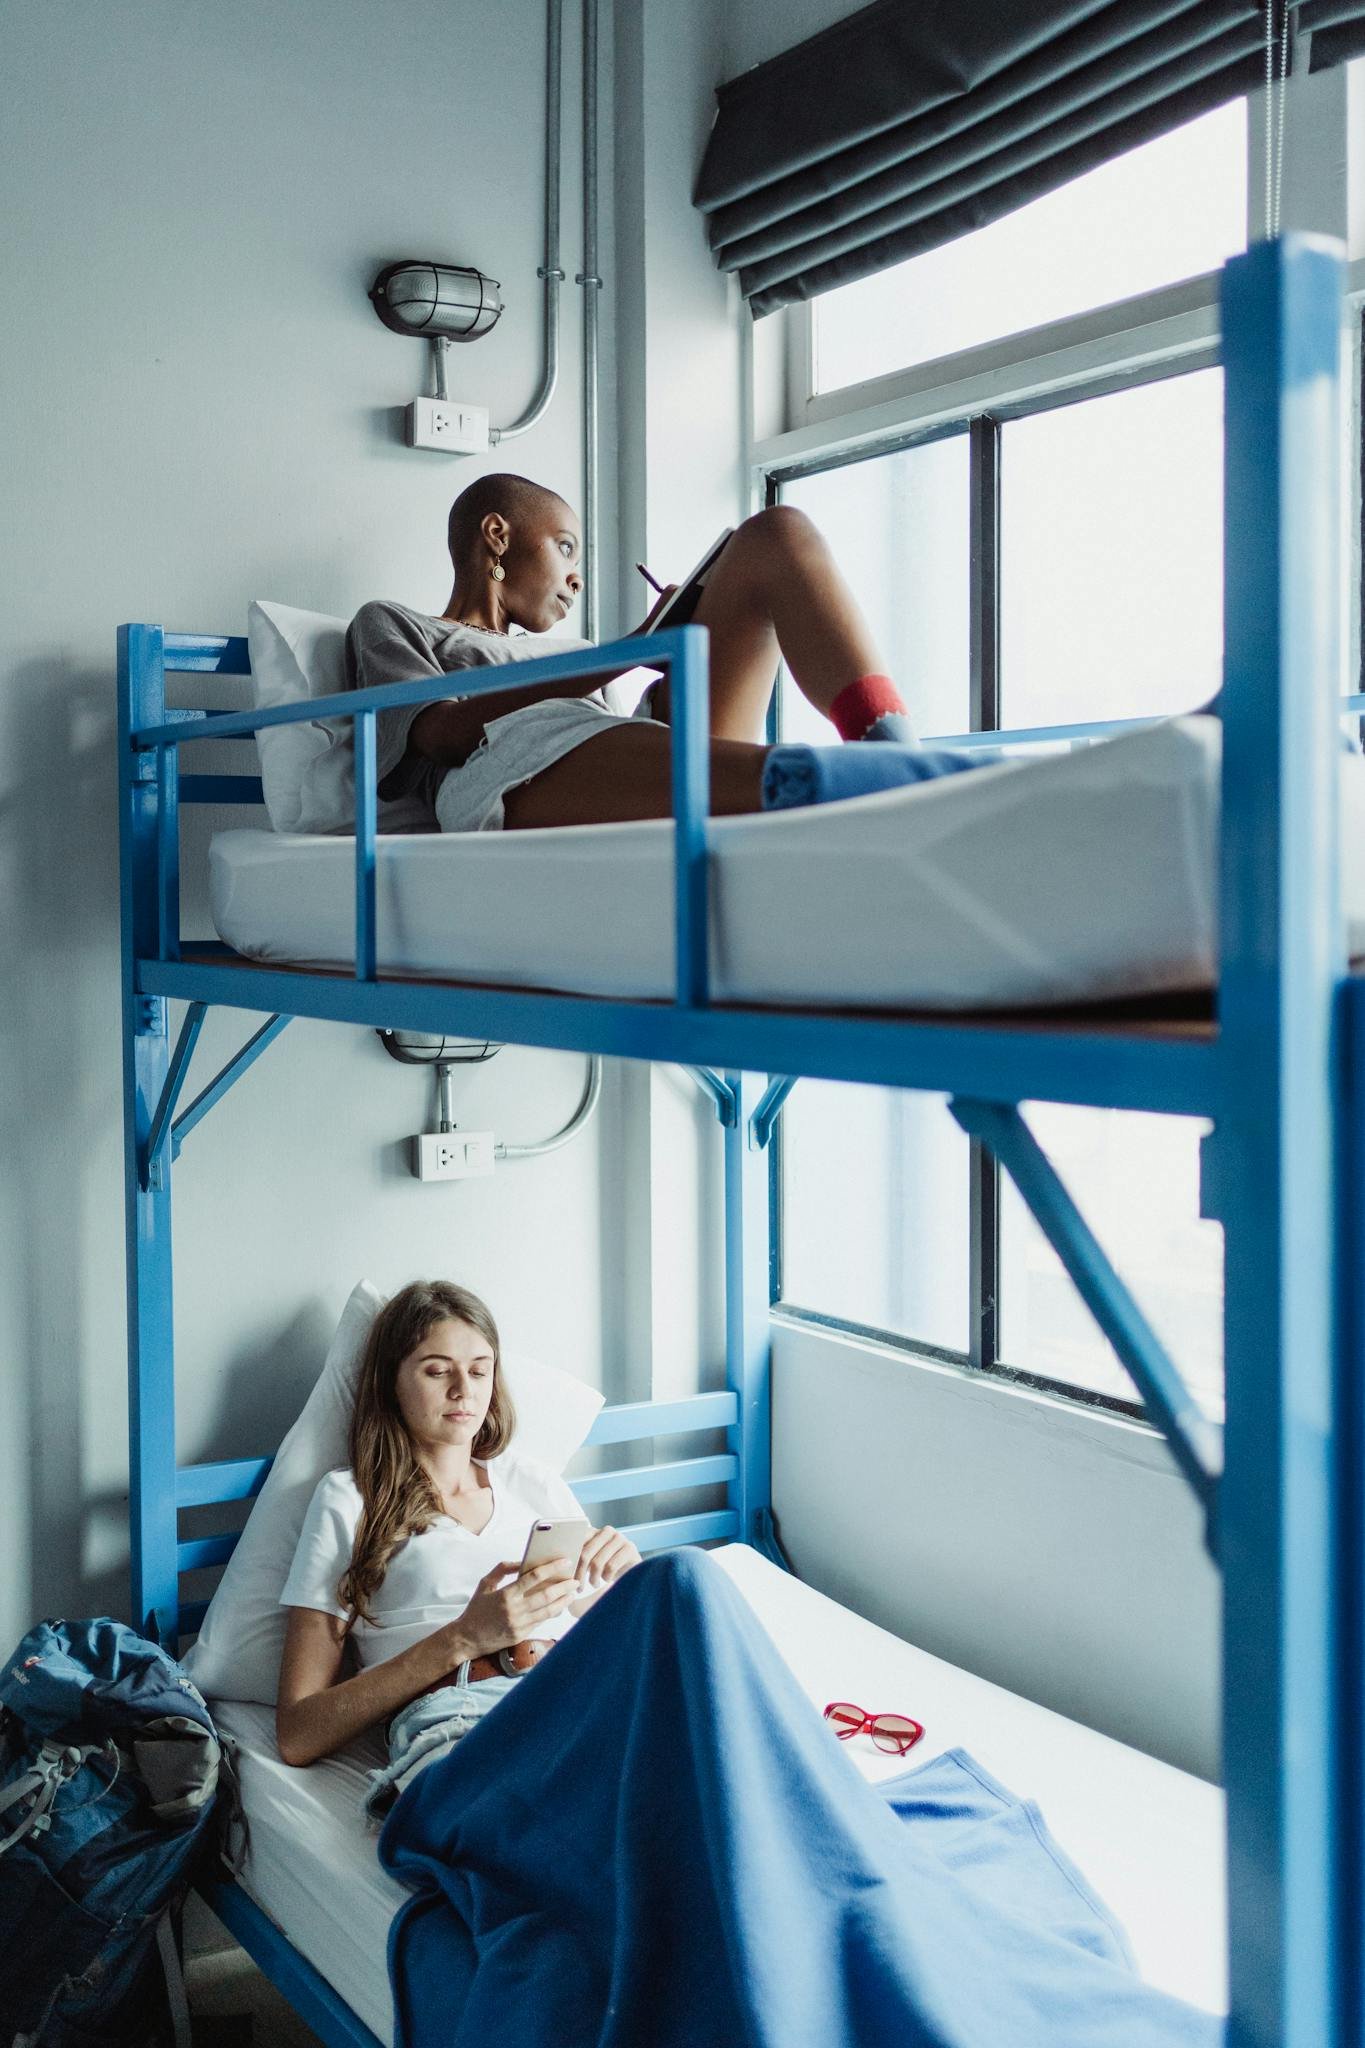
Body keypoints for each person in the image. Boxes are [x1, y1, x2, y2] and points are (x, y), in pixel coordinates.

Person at [343, 472, 965, 837]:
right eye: (565, 548)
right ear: (498, 535)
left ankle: (895, 756)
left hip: (610, 736)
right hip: (500, 767)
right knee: (776, 777)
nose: (575, 577)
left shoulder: (573, 653)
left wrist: (670, 651)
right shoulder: (392, 623)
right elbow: (445, 734)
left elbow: (625, 731)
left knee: (775, 535)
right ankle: (922, 793)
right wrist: (630, 650)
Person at [275, 1279, 641, 1808]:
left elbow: (611, 1632)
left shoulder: (531, 1483)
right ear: (390, 1383)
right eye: (436, 1370)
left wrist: (627, 1579)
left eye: (478, 1369)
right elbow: (297, 1733)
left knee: (683, 1582)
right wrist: (465, 1637)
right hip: (462, 1717)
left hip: (579, 1697)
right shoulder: (349, 1500)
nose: (463, 1390)